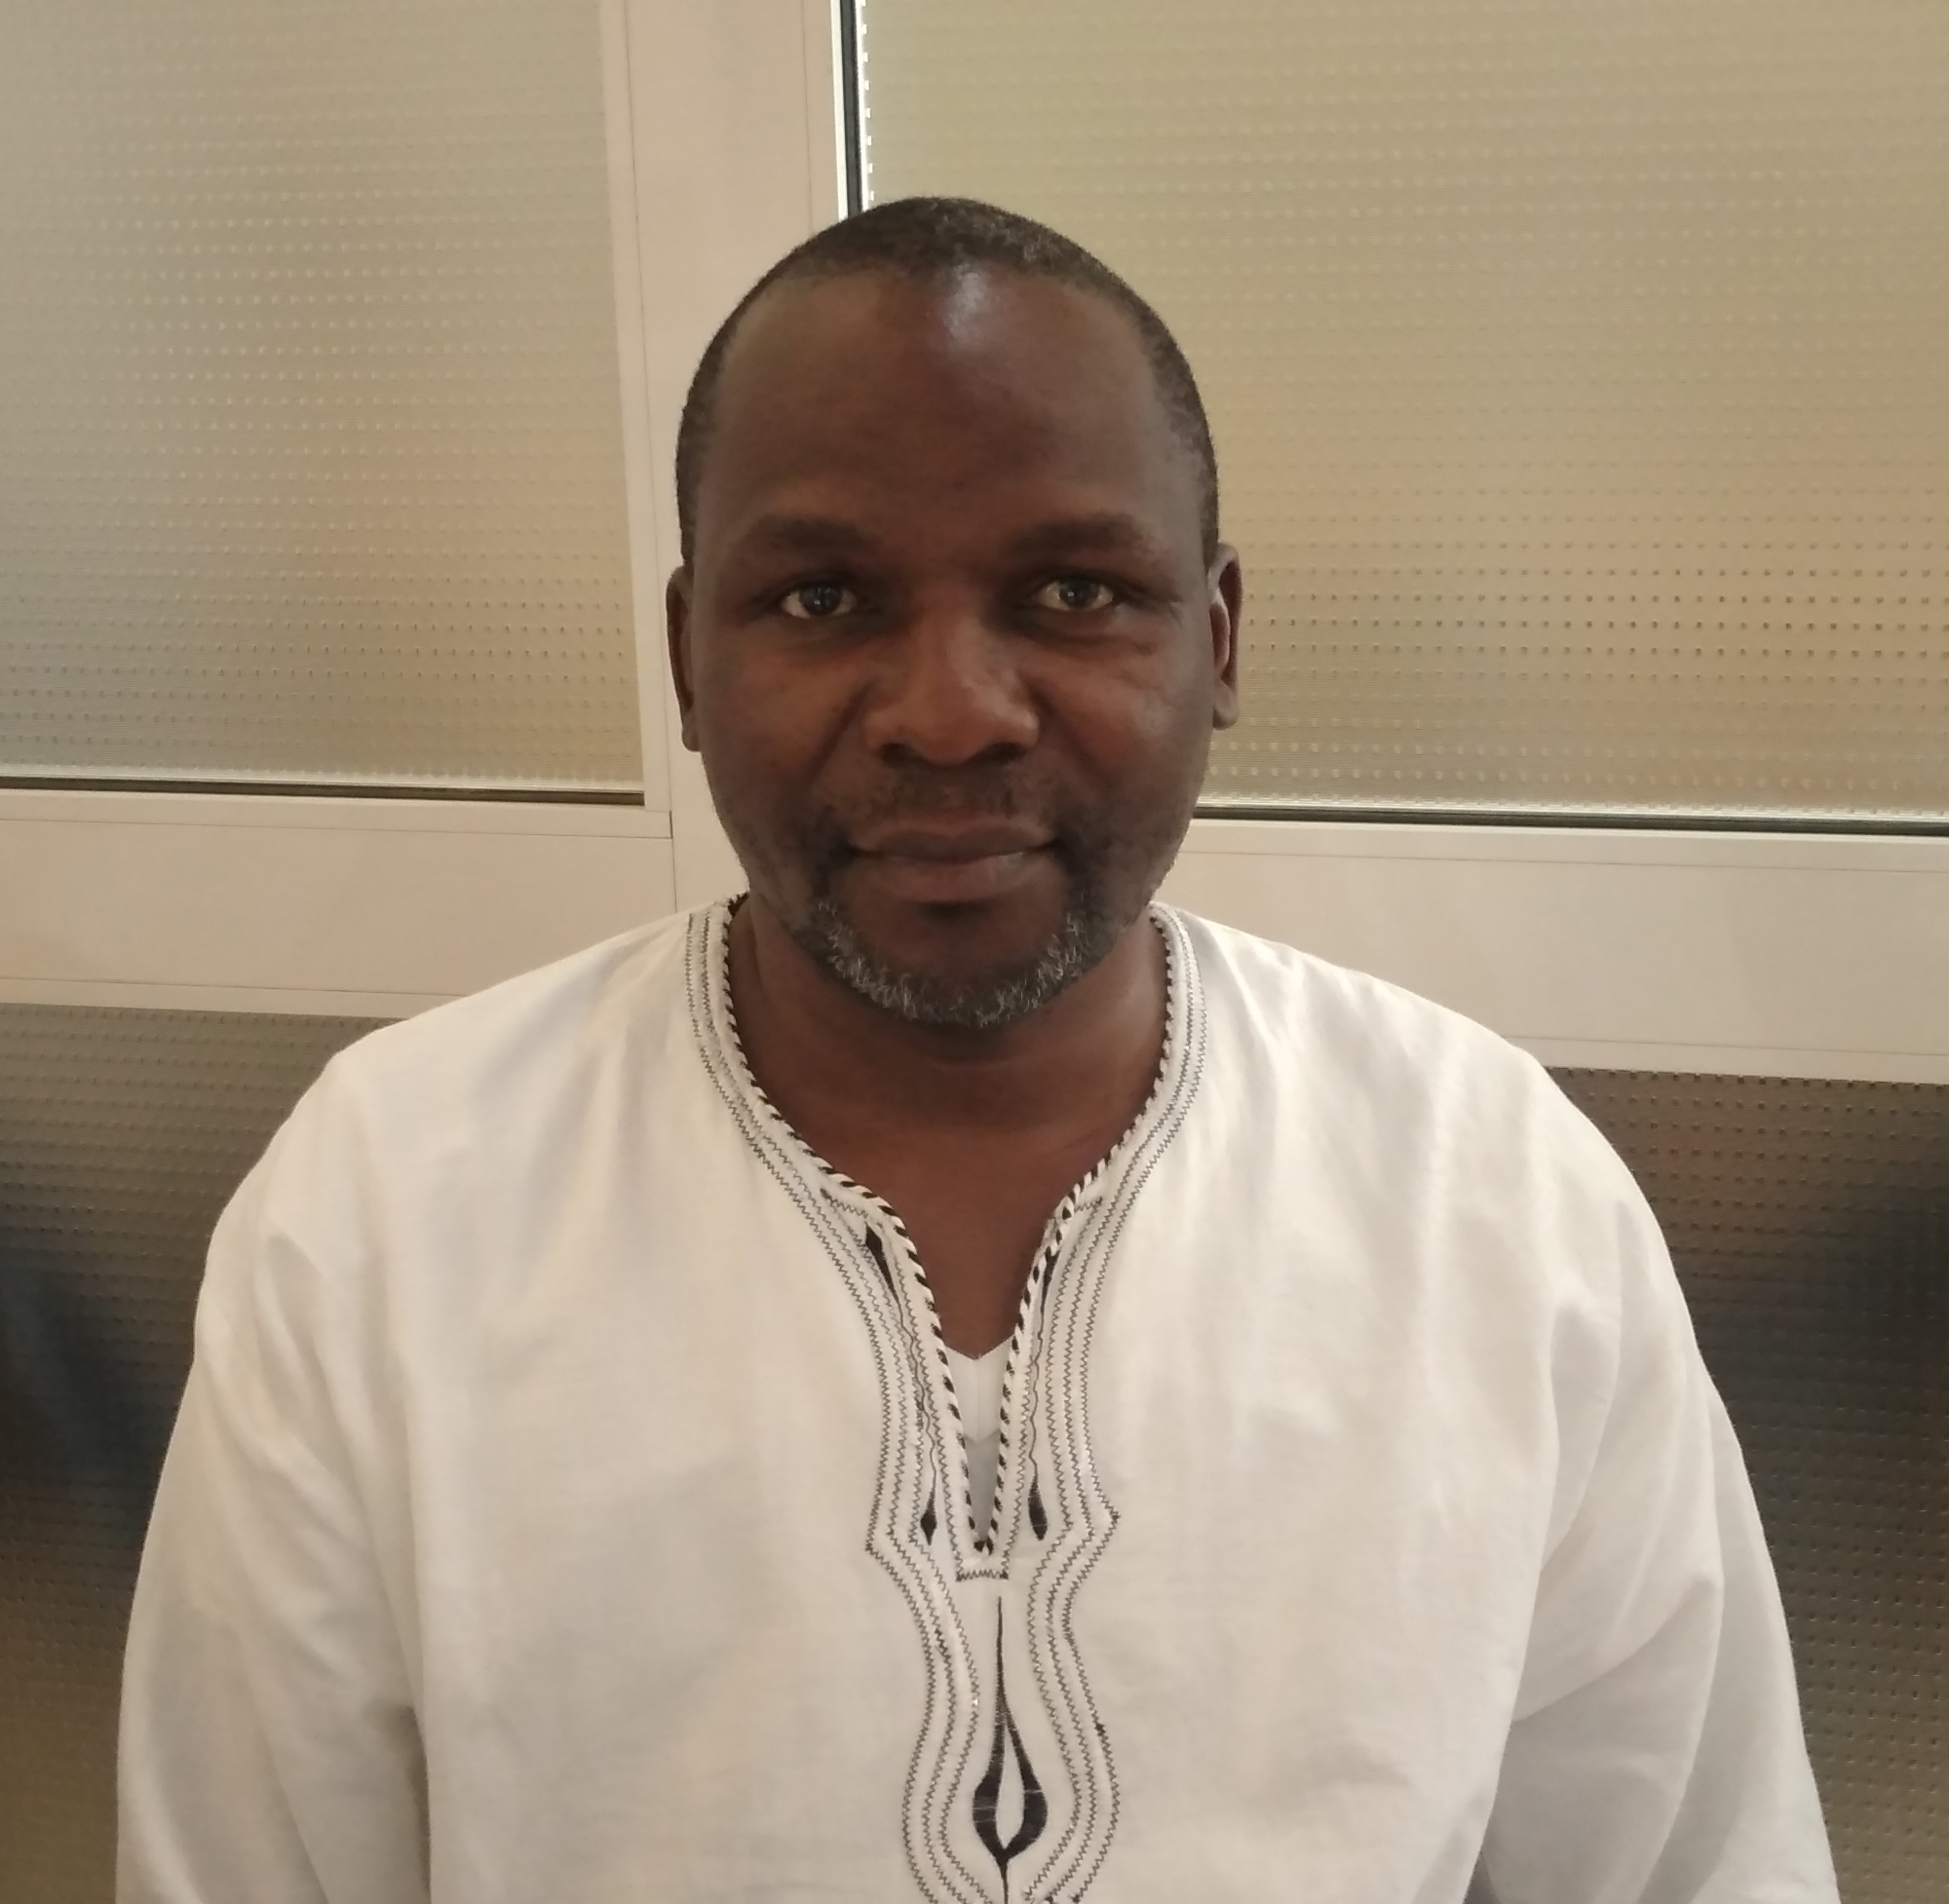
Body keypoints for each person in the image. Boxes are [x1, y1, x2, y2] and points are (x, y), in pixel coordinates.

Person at [118, 197, 1838, 1904]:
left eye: (1074, 590)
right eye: (822, 598)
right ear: (687, 658)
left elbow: (1701, 1862)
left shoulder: (1497, 1201)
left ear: (1218, 639)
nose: (951, 712)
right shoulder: (388, 1208)